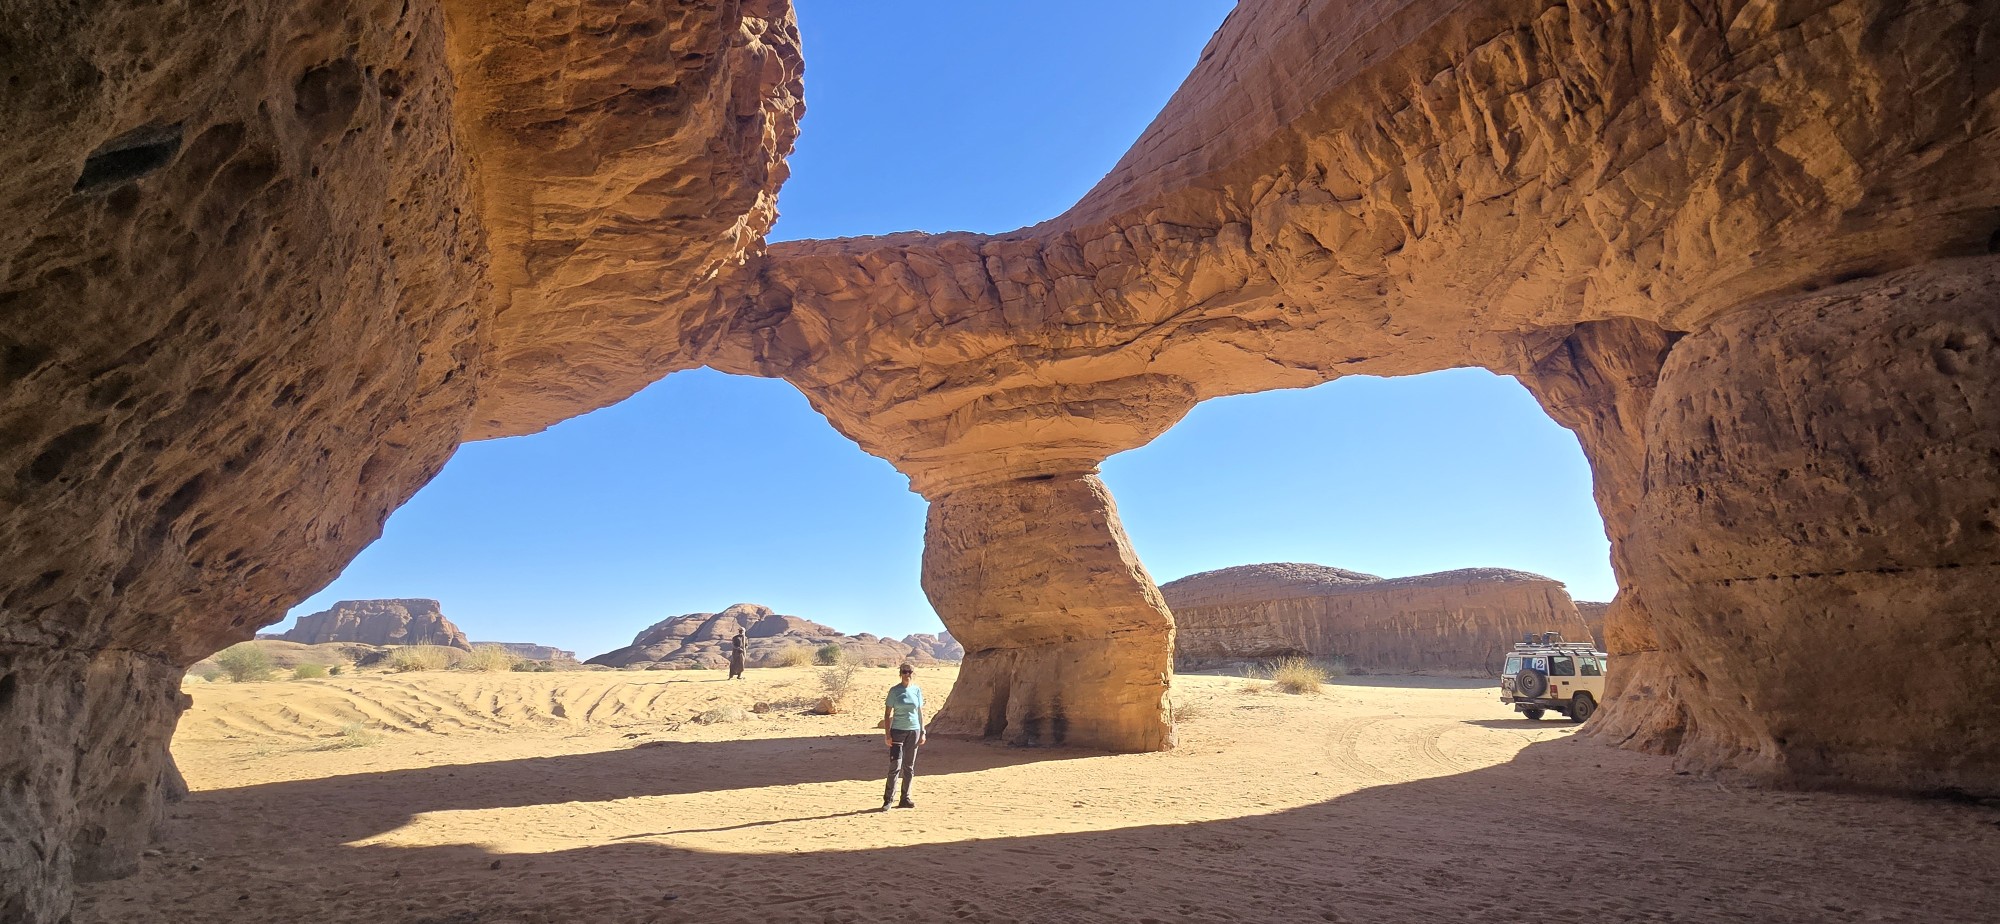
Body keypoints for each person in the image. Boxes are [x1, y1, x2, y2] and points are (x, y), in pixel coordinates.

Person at [881, 663, 925, 809]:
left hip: (914, 731)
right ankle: (888, 800)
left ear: (913, 673)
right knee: (895, 766)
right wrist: (887, 734)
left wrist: (923, 731)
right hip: (898, 731)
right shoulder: (894, 691)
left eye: (910, 671)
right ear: (900, 673)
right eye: (904, 672)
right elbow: (887, 715)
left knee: (909, 767)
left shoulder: (916, 690)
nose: (907, 674)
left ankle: (905, 798)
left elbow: (919, 712)